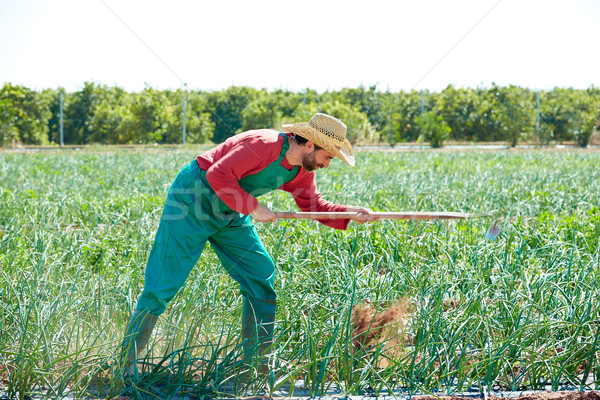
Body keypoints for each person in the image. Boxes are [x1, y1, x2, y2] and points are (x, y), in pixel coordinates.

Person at [121, 112, 375, 373]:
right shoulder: (263, 145)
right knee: (163, 282)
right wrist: (253, 207)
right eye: (328, 157)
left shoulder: (300, 171)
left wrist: (349, 212)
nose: (326, 164)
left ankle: (257, 366)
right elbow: (218, 175)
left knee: (260, 274)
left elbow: (312, 205)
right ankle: (126, 363)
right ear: (310, 145)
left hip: (229, 211)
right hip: (191, 202)